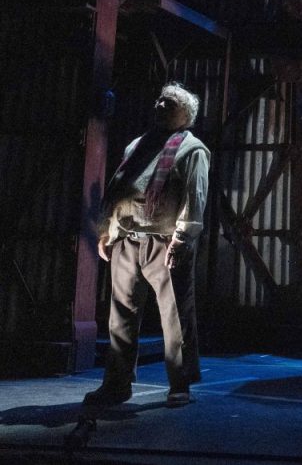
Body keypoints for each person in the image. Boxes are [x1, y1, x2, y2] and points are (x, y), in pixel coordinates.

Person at [84, 82, 210, 409]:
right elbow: (119, 188)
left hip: (165, 241)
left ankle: (180, 385)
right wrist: (106, 229)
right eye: (159, 100)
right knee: (121, 317)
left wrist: (182, 239)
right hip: (128, 239)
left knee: (175, 317)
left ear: (186, 113)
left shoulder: (191, 150)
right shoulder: (137, 146)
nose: (159, 105)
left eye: (168, 103)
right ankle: (116, 384)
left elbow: (194, 200)